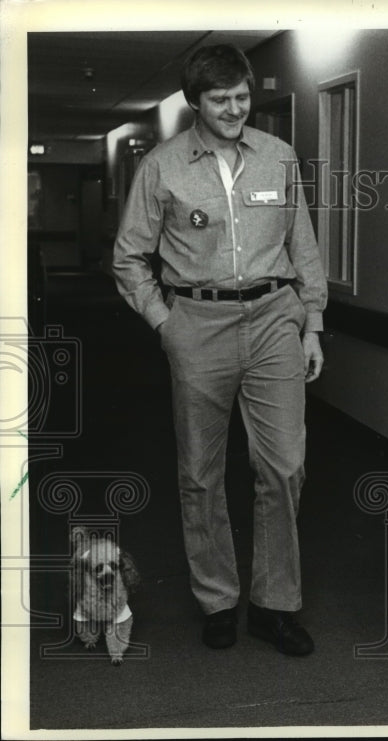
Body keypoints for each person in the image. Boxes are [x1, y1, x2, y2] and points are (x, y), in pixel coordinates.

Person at [113, 44, 327, 655]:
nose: (235, 109)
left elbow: (302, 244)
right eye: (220, 99)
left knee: (284, 465)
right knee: (201, 474)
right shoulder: (163, 167)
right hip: (197, 322)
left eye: (241, 96)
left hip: (274, 320)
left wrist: (311, 323)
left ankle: (274, 605)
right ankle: (217, 599)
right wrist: (166, 322)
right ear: (194, 102)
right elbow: (129, 257)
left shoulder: (279, 158)